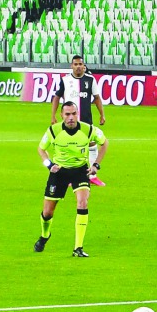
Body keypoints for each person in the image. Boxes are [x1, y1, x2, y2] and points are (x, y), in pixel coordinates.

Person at [35, 101, 108, 257]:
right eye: (67, 114)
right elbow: (41, 149)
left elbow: (104, 143)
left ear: (77, 114)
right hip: (59, 172)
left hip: (80, 170)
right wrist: (49, 164)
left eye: (74, 114)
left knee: (83, 202)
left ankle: (78, 248)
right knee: (47, 212)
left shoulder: (88, 129)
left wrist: (96, 165)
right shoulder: (53, 131)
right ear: (61, 115)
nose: (71, 117)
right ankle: (45, 235)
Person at [50, 55, 106, 185]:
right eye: (75, 64)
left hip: (86, 119)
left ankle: (92, 176)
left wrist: (102, 114)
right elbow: (57, 97)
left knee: (92, 144)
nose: (78, 66)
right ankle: (69, 177)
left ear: (84, 66)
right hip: (70, 121)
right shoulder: (65, 80)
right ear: (72, 66)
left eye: (80, 64)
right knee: (70, 147)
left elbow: (97, 98)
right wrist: (53, 115)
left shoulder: (90, 80)